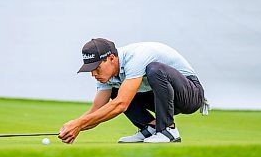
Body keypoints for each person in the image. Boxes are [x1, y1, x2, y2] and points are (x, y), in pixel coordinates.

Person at [58, 38, 208, 144]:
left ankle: (167, 130)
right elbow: (97, 110)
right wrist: (74, 127)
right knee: (116, 92)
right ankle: (151, 127)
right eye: (90, 70)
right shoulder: (107, 77)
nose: (93, 74)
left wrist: (79, 124)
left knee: (154, 70)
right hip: (164, 98)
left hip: (190, 95)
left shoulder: (135, 57)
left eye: (97, 68)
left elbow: (121, 104)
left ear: (111, 58)